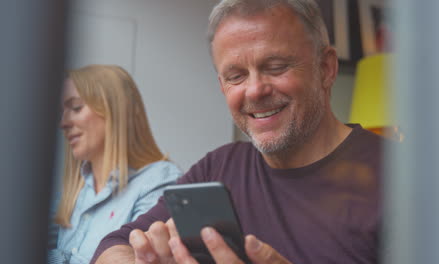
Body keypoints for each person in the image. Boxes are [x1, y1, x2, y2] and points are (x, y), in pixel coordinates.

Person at [92, 0, 387, 263]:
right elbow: (111, 246)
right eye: (236, 76)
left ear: (325, 69)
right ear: (222, 86)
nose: (255, 91)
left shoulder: (399, 178)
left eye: (276, 66)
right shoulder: (219, 166)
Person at [48, 64, 182, 263]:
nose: (63, 123)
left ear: (116, 110)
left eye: (76, 108)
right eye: (62, 112)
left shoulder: (159, 182)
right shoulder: (76, 190)